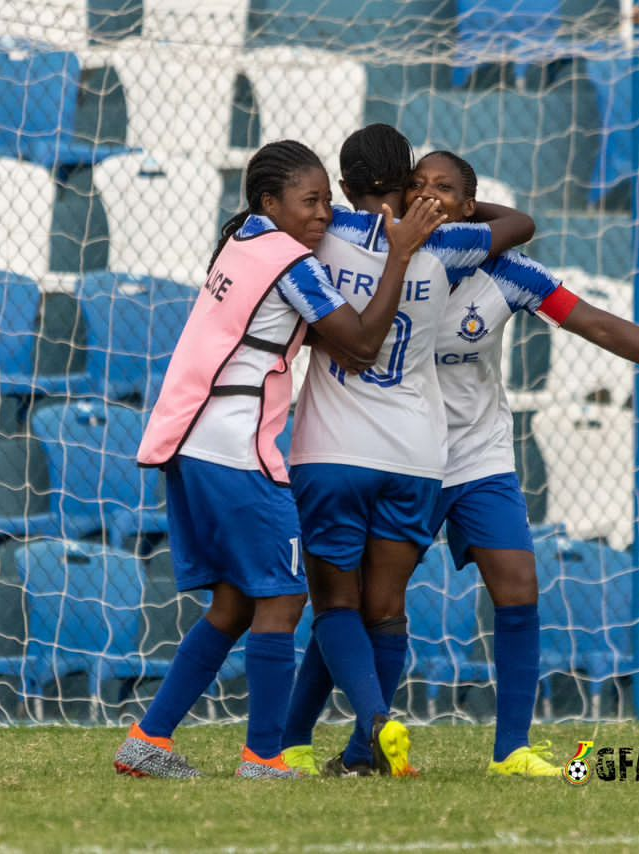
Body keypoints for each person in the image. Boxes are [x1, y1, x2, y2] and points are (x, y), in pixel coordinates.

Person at [409, 150, 639, 776]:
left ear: (470, 206)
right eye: (419, 187)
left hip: (479, 455)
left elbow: (595, 324)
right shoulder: (391, 264)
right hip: (405, 453)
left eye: (445, 190)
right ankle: (331, 742)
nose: (430, 198)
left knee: (519, 588)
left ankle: (511, 749)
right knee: (367, 599)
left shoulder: (507, 272)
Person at [113, 139, 446, 780]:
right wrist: (399, 253)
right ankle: (265, 756)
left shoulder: (243, 245)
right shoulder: (291, 263)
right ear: (271, 202)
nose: (322, 213)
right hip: (235, 449)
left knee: (236, 603)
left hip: (195, 442)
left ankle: (148, 741)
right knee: (288, 597)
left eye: (327, 200)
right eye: (309, 201)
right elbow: (363, 344)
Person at [280, 125, 535, 777]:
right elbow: (520, 225)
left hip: (336, 446)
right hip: (416, 452)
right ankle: (363, 753)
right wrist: (448, 209)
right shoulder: (444, 244)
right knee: (386, 606)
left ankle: (360, 724)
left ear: (339, 188)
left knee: (338, 602)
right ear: (403, 183)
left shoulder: (317, 234)